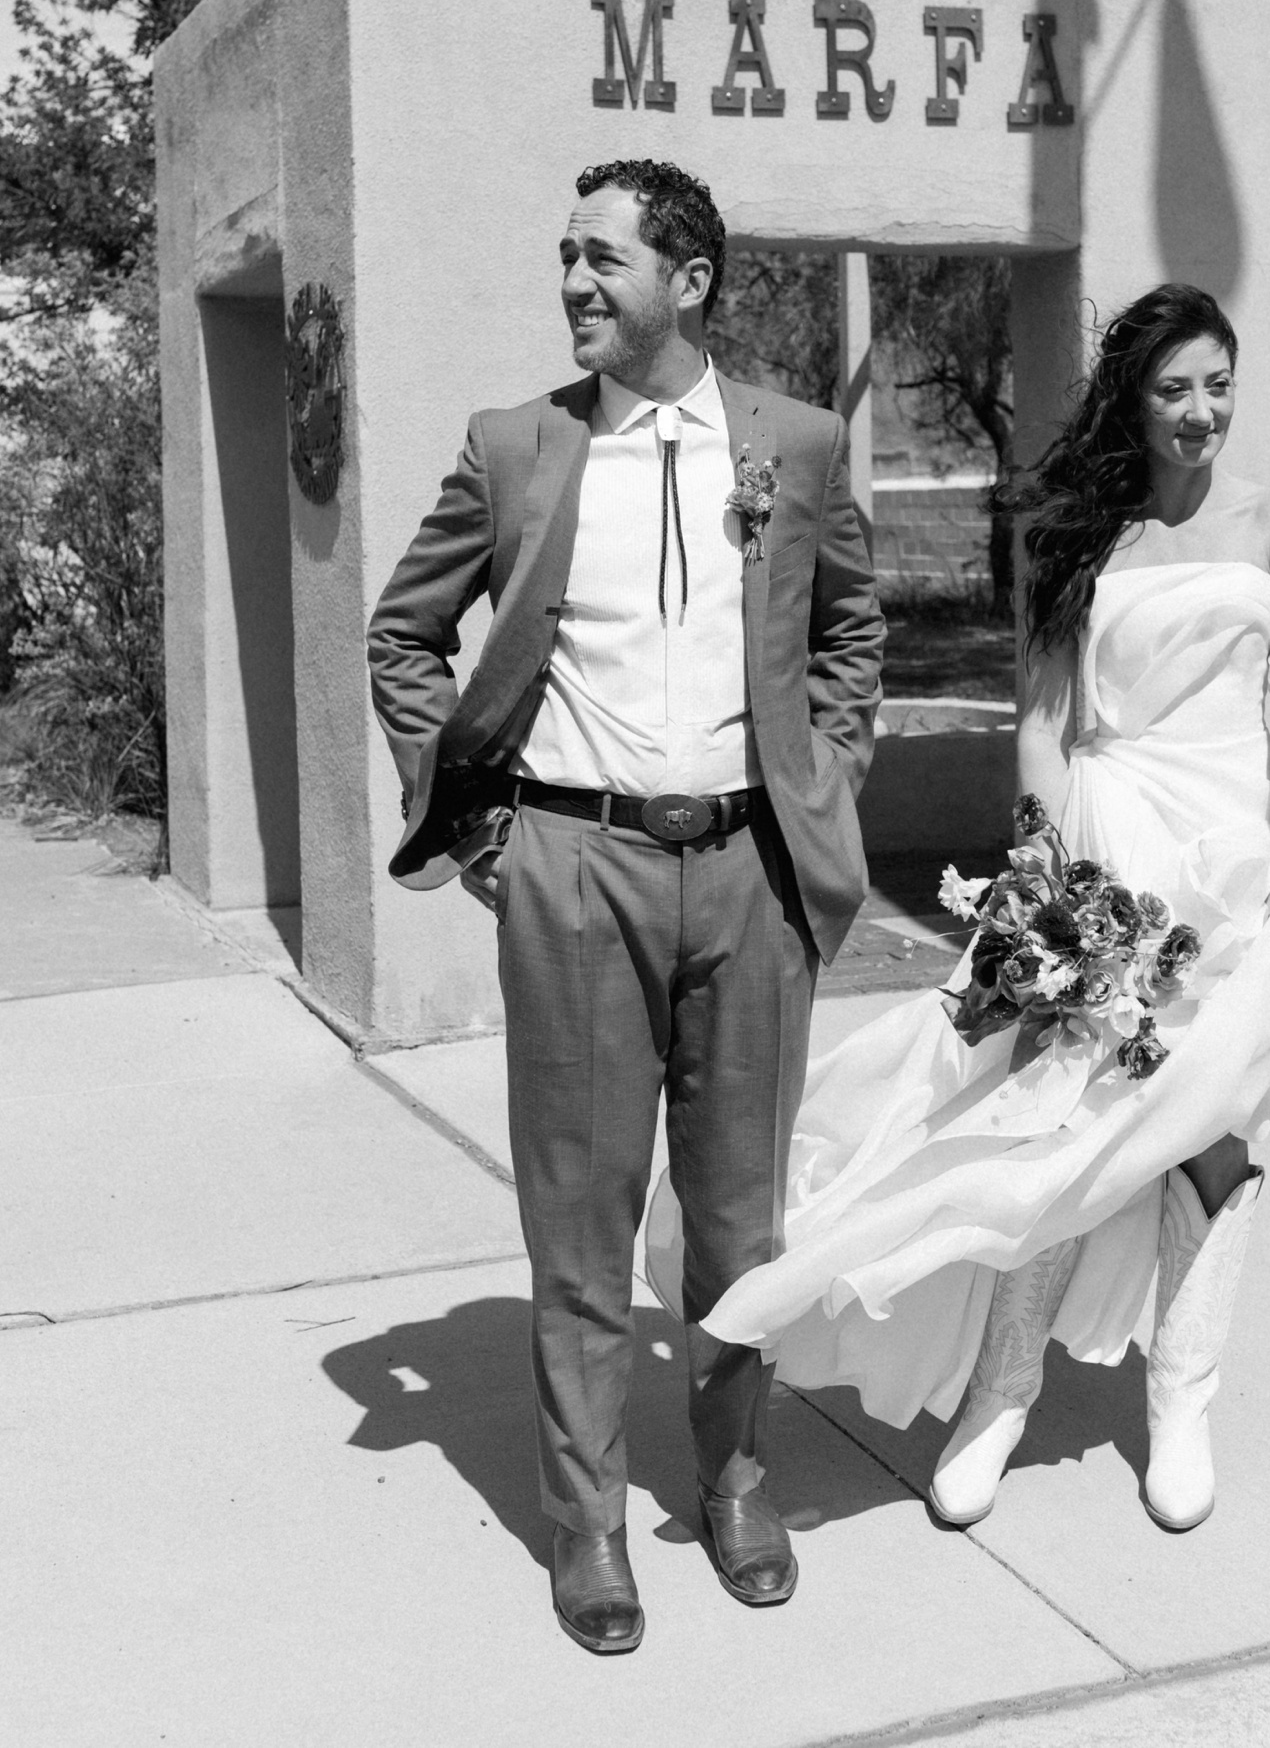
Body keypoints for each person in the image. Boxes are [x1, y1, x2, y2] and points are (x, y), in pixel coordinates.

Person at [656, 283, 1270, 1537]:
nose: (1201, 412)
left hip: (1239, 866)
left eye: (1218, 385)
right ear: (1135, 401)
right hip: (1106, 847)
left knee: (1220, 1135)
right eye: (1173, 388)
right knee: (1054, 1129)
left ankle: (1182, 1405)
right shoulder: (1087, 533)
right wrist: (1047, 870)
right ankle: (1001, 1391)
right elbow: (1042, 720)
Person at [366, 158, 883, 1655]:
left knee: (738, 1224)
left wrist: (826, 780)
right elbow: (407, 630)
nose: (576, 283)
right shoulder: (519, 446)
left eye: (602, 258)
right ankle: (589, 1519)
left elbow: (850, 628)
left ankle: (731, 1480)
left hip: (751, 876)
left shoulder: (797, 440)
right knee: (582, 1223)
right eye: (567, 258)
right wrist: (479, 829)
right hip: (573, 868)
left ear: (690, 279)